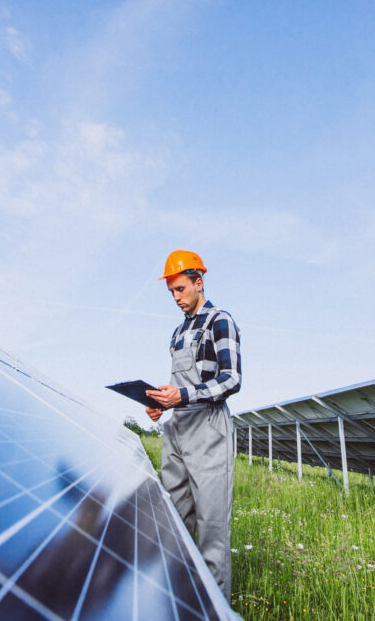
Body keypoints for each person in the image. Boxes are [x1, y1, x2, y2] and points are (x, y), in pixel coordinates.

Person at [145, 250, 241, 600]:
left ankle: (215, 610)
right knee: (174, 525)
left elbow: (231, 379)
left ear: (198, 283)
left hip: (209, 432)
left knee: (211, 532)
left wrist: (183, 395)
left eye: (181, 289)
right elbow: (181, 386)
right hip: (177, 431)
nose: (176, 297)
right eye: (171, 291)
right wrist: (160, 404)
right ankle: (180, 604)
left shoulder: (220, 321)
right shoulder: (178, 331)